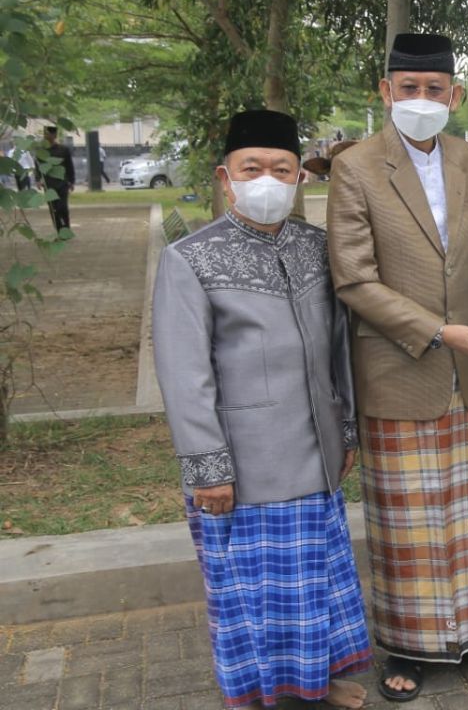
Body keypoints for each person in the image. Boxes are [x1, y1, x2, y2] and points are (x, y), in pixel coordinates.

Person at [327, 33, 468, 702]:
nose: (421, 100)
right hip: (398, 364)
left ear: (454, 95)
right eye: (408, 88)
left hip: (463, 368)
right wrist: (433, 330)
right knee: (406, 521)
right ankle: (407, 646)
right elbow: (354, 279)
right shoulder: (356, 167)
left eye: (434, 89)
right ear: (385, 91)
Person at [152, 109, 372, 710]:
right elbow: (183, 373)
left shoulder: (318, 249)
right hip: (244, 463)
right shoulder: (190, 259)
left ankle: (314, 683)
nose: (267, 179)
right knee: (252, 593)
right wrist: (207, 467)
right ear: (226, 176)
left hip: (317, 449)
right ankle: (259, 694)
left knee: (312, 584)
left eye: (282, 168)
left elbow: (339, 350)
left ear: (301, 177)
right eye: (253, 168)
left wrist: (346, 427)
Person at [36, 125, 74, 231]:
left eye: (49, 134)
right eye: (45, 134)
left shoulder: (63, 150)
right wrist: (38, 179)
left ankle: (66, 229)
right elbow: (38, 166)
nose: (47, 136)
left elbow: (69, 166)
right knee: (53, 209)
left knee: (62, 207)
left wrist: (71, 181)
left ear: (54, 135)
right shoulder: (41, 151)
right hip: (48, 183)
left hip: (62, 182)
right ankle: (58, 230)